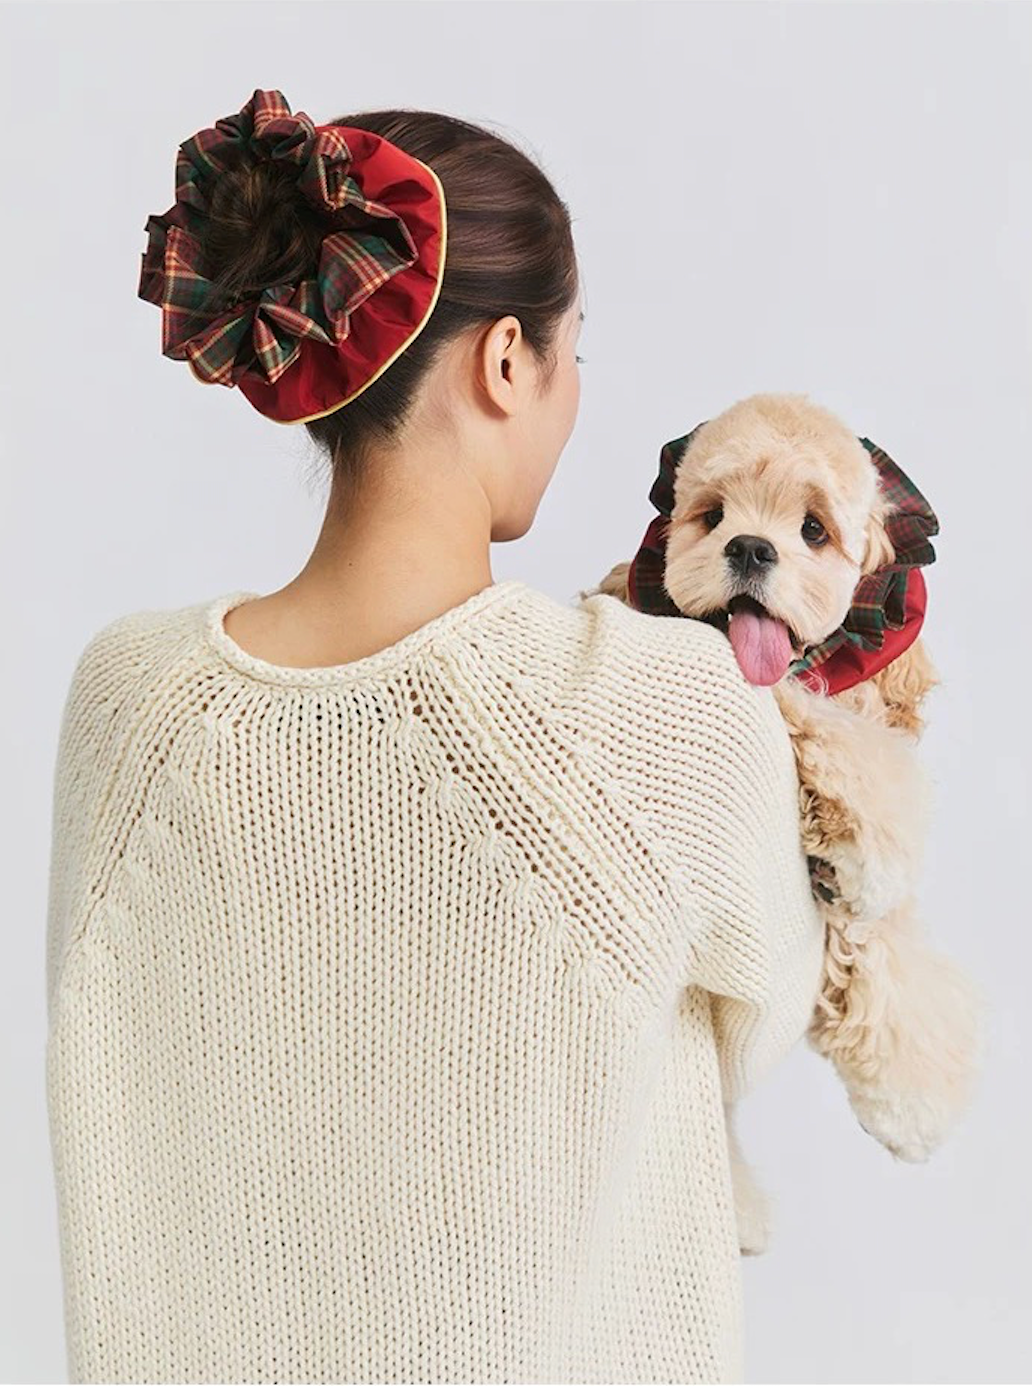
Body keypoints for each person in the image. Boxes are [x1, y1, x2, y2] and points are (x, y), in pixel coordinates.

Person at [44, 90, 826, 1385]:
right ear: (506, 359)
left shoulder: (128, 703)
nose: (576, 392)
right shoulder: (664, 708)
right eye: (575, 349)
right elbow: (767, 1019)